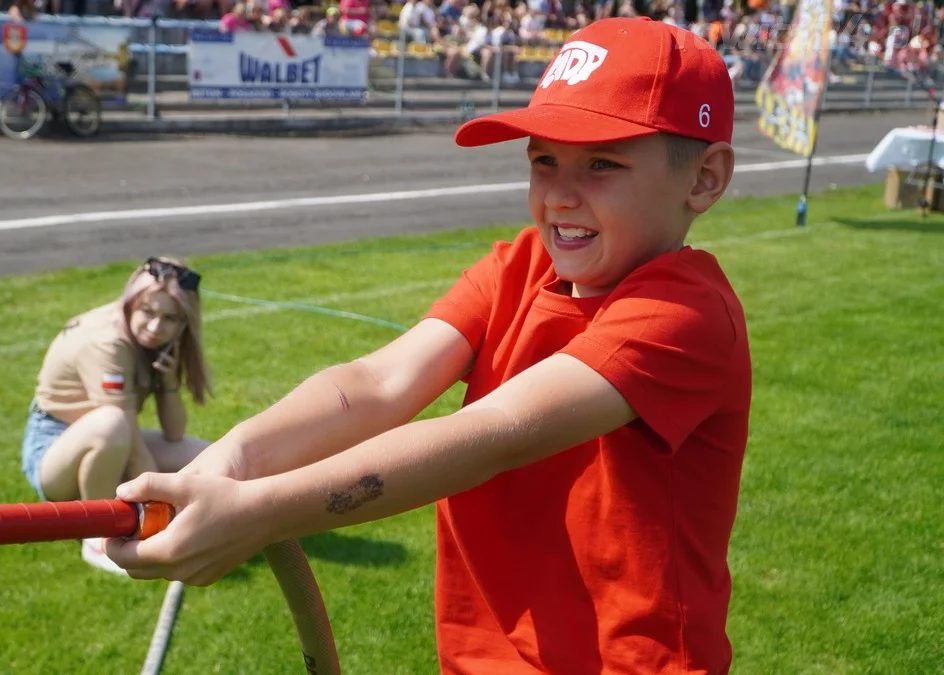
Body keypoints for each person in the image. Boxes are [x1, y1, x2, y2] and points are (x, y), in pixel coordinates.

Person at [108, 16, 749, 673]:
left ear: (703, 178)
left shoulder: (685, 311)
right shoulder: (518, 266)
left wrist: (261, 510)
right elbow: (378, 383)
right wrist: (236, 459)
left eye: (602, 164)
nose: (558, 194)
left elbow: (498, 430)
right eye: (543, 160)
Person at [20, 257, 213, 576]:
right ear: (130, 302)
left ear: (184, 322)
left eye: (169, 318)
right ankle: (97, 535)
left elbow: (175, 432)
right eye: (147, 312)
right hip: (55, 452)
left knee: (207, 457)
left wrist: (167, 384)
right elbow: (130, 443)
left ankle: (216, 520)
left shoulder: (163, 341)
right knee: (110, 425)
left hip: (116, 441)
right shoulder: (106, 341)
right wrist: (161, 516)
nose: (155, 327)